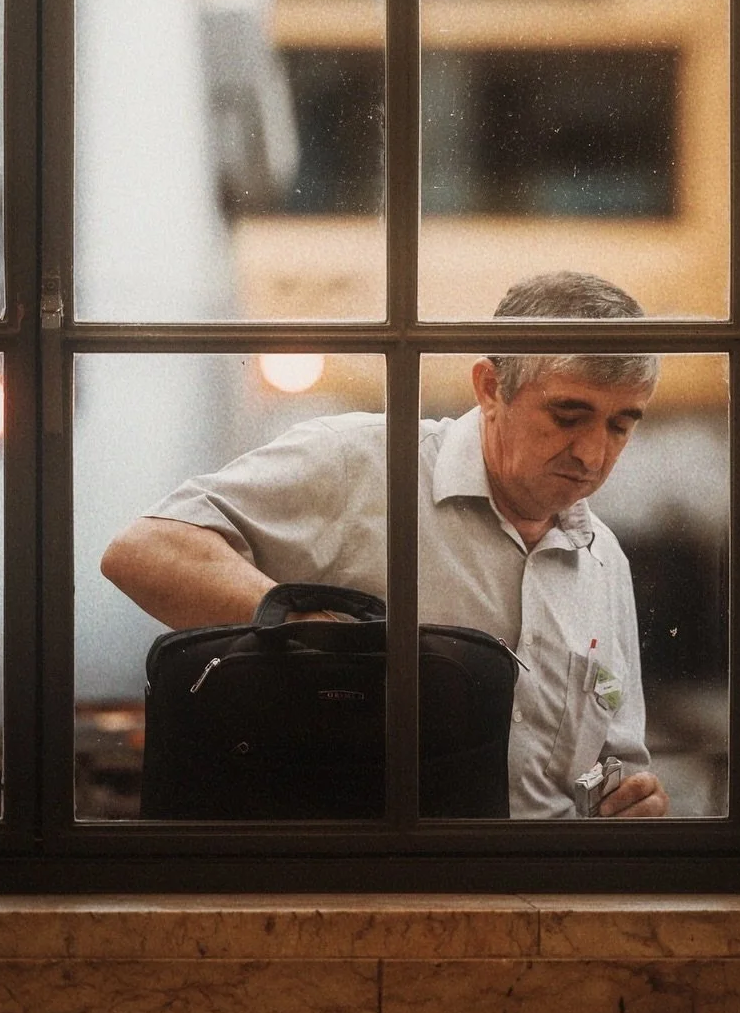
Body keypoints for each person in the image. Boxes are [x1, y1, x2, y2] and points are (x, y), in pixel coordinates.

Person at [102, 270, 669, 819]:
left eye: (621, 425)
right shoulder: (361, 464)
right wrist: (311, 630)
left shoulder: (604, 563)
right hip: (365, 887)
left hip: (539, 898)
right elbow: (144, 550)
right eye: (569, 416)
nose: (593, 455)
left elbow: (615, 767)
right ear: (491, 388)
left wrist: (634, 803)